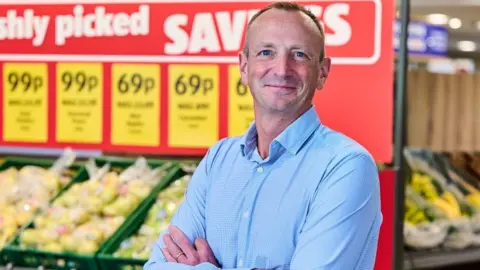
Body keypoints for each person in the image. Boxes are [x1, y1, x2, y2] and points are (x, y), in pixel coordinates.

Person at [144, 2, 382, 269]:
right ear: (244, 67)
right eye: (266, 52)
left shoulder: (345, 166)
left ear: (323, 72)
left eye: (300, 55)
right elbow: (157, 265)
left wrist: (205, 267)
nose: (282, 69)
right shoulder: (219, 159)